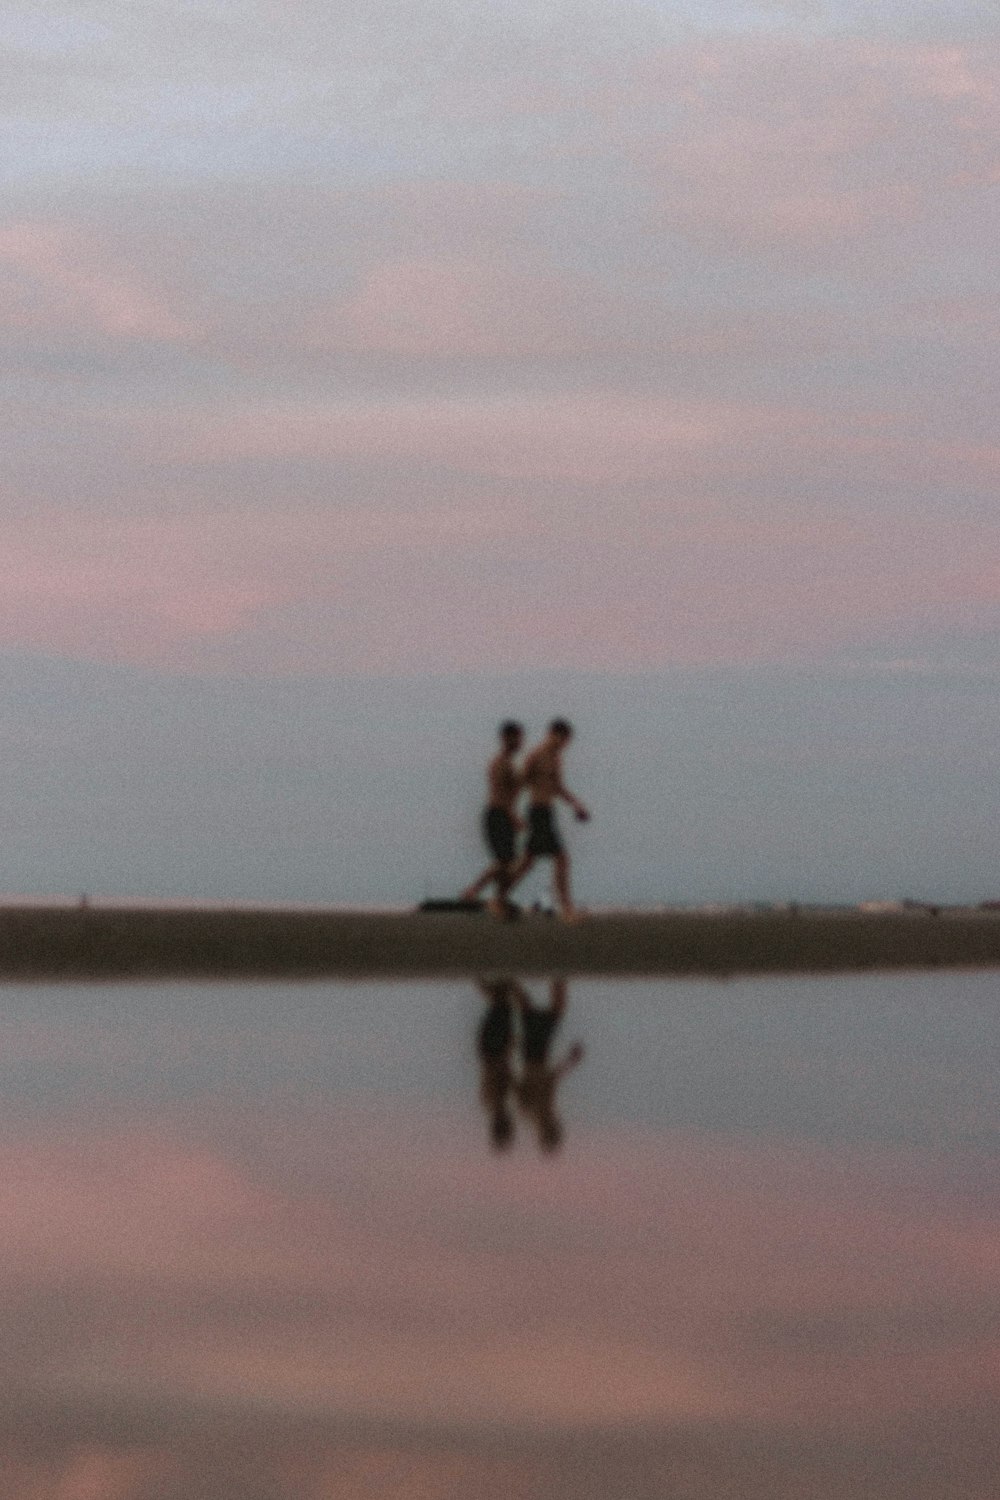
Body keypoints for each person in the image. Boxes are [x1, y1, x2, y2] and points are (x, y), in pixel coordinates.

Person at [507, 718, 589, 921]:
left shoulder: (556, 759)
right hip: (537, 813)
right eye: (563, 741)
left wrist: (576, 804)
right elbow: (520, 784)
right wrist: (512, 813)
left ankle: (499, 896)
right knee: (561, 859)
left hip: (547, 813)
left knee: (527, 862)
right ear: (554, 735)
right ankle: (567, 910)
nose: (564, 746)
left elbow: (558, 787)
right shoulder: (535, 756)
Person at [512, 978, 584, 1153]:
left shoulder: (532, 1112)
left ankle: (509, 978)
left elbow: (517, 1085)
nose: (557, 1124)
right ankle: (554, 974)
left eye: (554, 1130)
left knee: (541, 1010)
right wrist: (570, 1061)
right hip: (538, 1056)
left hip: (532, 1056)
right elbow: (552, 1079)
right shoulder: (542, 1112)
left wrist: (570, 1061)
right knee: (539, 1010)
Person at [460, 720, 525, 916]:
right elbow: (498, 796)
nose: (520, 742)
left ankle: (500, 901)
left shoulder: (509, 764)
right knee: (505, 862)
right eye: (517, 738)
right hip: (497, 815)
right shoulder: (499, 764)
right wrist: (512, 816)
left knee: (509, 863)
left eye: (521, 738)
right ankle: (472, 892)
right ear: (506, 738)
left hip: (503, 815)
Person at [475, 978, 517, 1151]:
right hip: (495, 1051)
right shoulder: (495, 1102)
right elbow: (502, 1073)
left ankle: (486, 981)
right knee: (502, 1007)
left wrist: (504, 1056)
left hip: (493, 1051)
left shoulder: (493, 1101)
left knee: (501, 1008)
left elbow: (492, 1071)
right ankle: (491, 982)